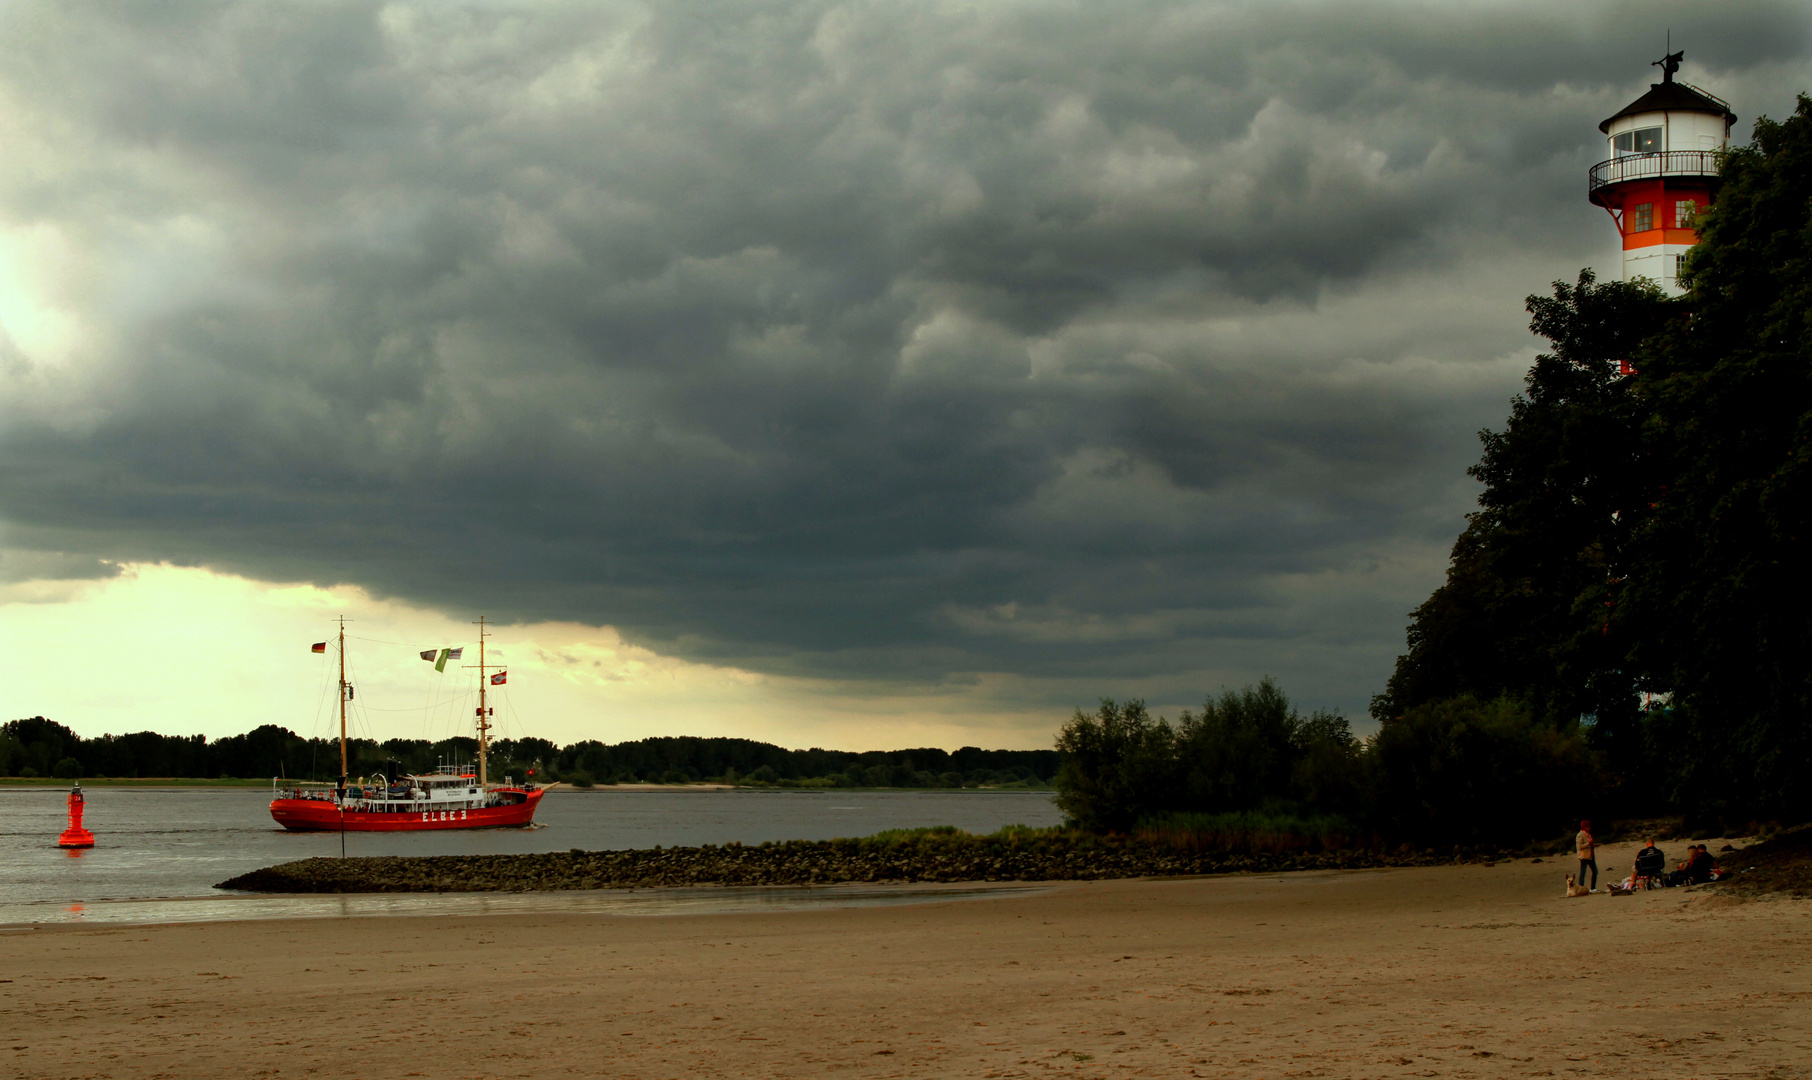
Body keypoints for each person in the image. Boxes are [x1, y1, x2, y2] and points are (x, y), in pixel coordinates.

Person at [1575, 819, 1599, 892]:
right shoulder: (1580, 835)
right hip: (1584, 856)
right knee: (1583, 872)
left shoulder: (1588, 834)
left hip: (1590, 855)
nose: (1589, 828)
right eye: (1588, 826)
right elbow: (1579, 847)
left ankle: (1593, 888)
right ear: (1584, 827)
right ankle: (1581, 888)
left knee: (1595, 871)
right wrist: (1588, 843)